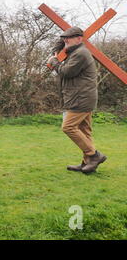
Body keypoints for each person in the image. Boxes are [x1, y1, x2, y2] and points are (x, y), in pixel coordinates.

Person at [48, 27, 107, 174]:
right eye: (65, 38)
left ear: (80, 38)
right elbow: (61, 45)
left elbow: (66, 72)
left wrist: (54, 61)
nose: (66, 40)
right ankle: (87, 163)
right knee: (84, 131)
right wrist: (61, 42)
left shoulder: (80, 54)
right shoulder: (75, 51)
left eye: (70, 37)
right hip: (82, 97)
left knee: (68, 127)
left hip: (80, 98)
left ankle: (94, 156)